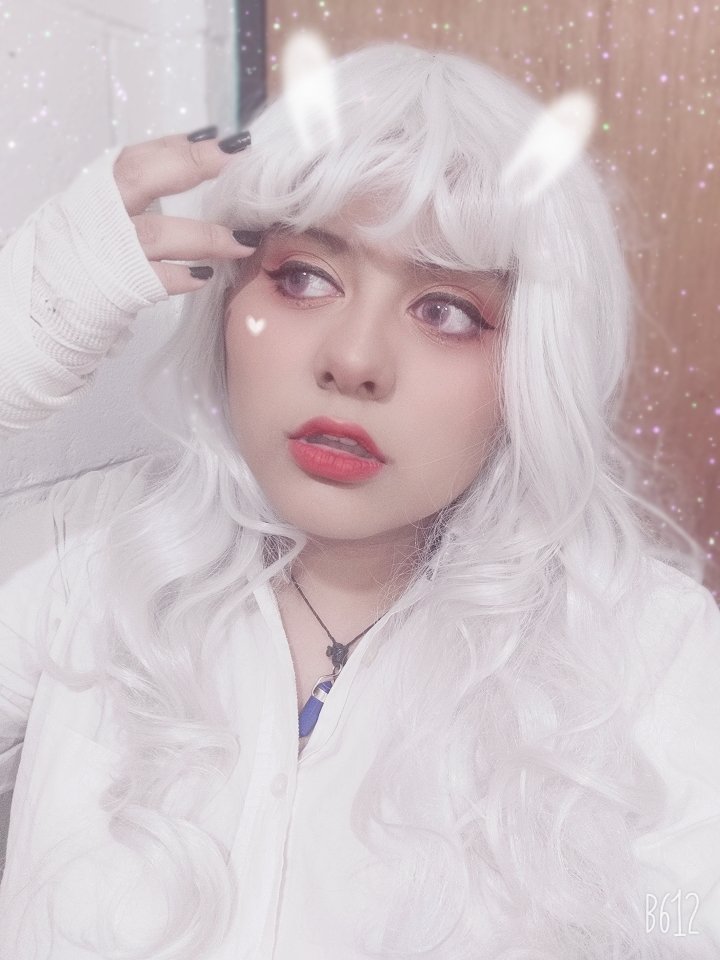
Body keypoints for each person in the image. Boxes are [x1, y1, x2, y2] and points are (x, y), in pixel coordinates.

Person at [0, 40, 719, 960]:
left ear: (535, 363)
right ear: (228, 302)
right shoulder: (82, 563)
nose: (354, 359)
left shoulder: (648, 651)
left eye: (447, 311)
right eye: (305, 276)